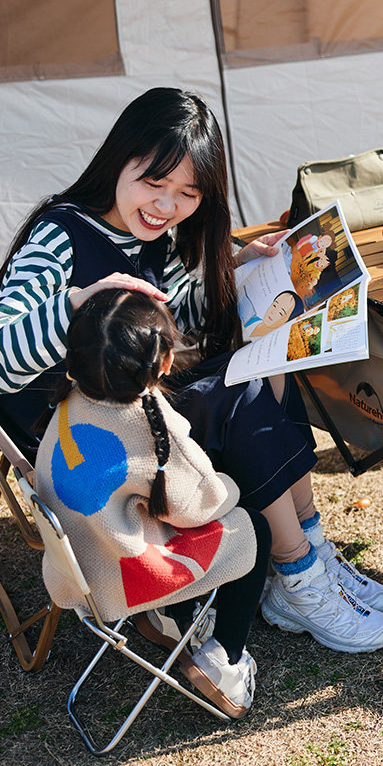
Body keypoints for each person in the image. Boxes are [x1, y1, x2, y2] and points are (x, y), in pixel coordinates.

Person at [0, 86, 383, 654]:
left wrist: (238, 270)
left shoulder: (158, 239)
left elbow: (176, 323)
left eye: (187, 194)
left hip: (135, 407)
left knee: (265, 366)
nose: (166, 207)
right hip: (75, 437)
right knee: (236, 396)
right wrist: (76, 302)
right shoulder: (60, 233)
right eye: (153, 183)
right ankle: (298, 572)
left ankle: (307, 550)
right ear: (118, 161)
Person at [35, 289, 268, 717]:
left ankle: (178, 614)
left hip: (80, 566)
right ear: (164, 363)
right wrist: (233, 488)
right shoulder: (147, 422)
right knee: (252, 526)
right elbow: (199, 504)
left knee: (155, 516)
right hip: (122, 574)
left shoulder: (69, 397)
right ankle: (225, 661)